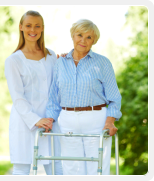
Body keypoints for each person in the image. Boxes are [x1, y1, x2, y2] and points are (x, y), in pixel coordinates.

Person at [46, 19, 122, 175]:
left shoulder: (102, 63)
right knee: (70, 167)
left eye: (89, 37)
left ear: (94, 40)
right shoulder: (60, 63)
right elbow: (54, 96)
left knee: (98, 167)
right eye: (79, 35)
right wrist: (49, 120)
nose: (83, 40)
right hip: (67, 119)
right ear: (73, 36)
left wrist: (110, 122)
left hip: (96, 120)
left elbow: (114, 97)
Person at [4, 10, 63, 175]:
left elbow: (57, 87)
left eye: (37, 26)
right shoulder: (13, 60)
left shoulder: (51, 56)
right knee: (22, 168)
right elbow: (17, 97)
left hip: (51, 121)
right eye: (29, 25)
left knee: (56, 167)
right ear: (21, 27)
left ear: (42, 28)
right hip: (25, 122)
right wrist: (36, 120)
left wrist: (66, 62)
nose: (33, 30)